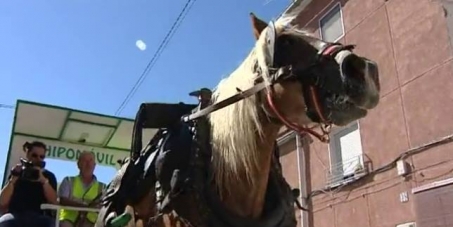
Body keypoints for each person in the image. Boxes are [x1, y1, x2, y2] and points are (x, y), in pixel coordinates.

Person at [0, 141, 58, 227]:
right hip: (15, 215)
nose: (38, 159)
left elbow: (54, 201)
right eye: (34, 155)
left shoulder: (48, 176)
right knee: (5, 223)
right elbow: (2, 202)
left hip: (40, 216)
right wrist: (13, 180)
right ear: (28, 155)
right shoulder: (17, 174)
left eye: (41, 157)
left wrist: (44, 181)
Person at [58, 151, 105, 227]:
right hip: (69, 221)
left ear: (94, 165)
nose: (88, 164)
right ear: (78, 164)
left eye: (90, 161)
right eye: (85, 161)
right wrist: (85, 207)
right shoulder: (68, 181)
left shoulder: (103, 187)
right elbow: (63, 200)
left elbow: (104, 206)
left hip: (92, 223)